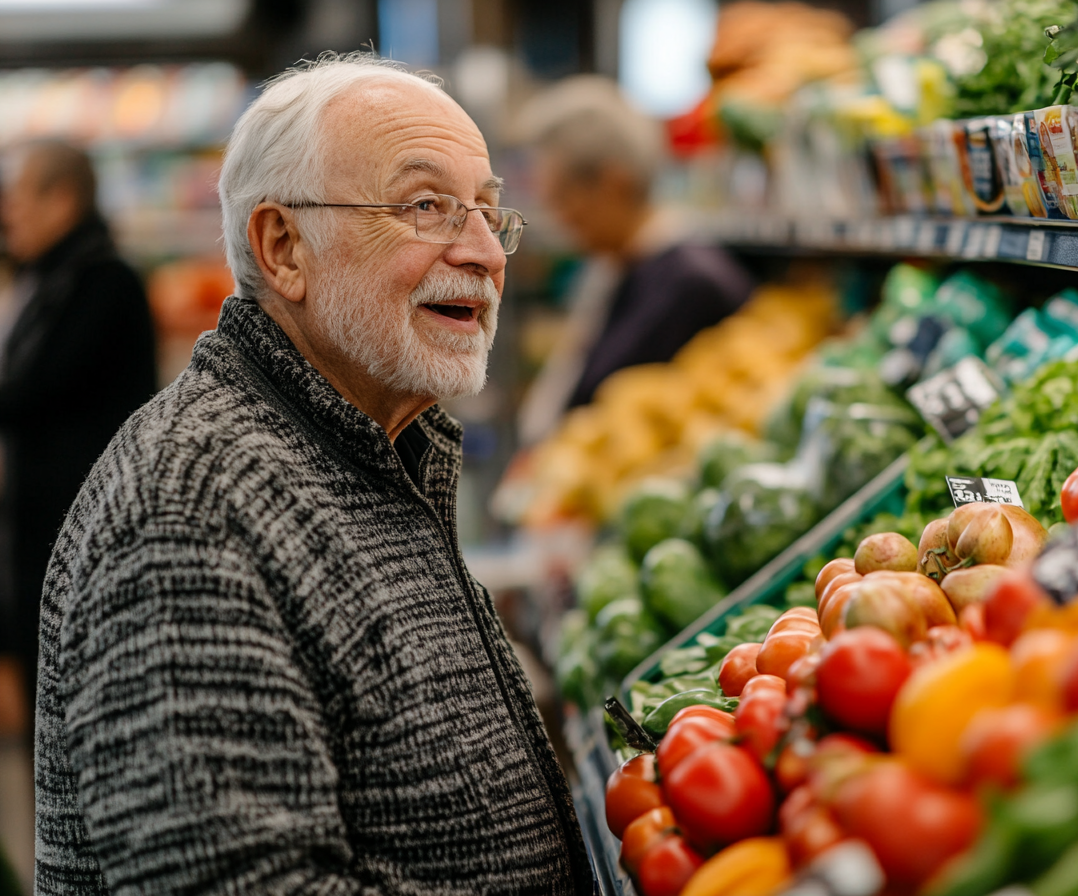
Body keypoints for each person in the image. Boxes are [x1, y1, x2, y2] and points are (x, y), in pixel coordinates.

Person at [34, 54, 593, 895]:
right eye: (426, 206)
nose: (484, 252)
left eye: (486, 208)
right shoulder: (189, 517)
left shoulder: (368, 449)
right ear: (283, 246)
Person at [0, 140, 157, 734]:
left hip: (79, 532)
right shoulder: (53, 277)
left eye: (16, 195)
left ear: (61, 199)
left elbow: (37, 389)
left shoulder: (102, 283)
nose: (7, 210)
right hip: (48, 525)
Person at [514, 76, 754, 445]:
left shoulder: (693, 286)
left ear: (614, 183)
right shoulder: (613, 268)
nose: (560, 219)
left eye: (563, 199)